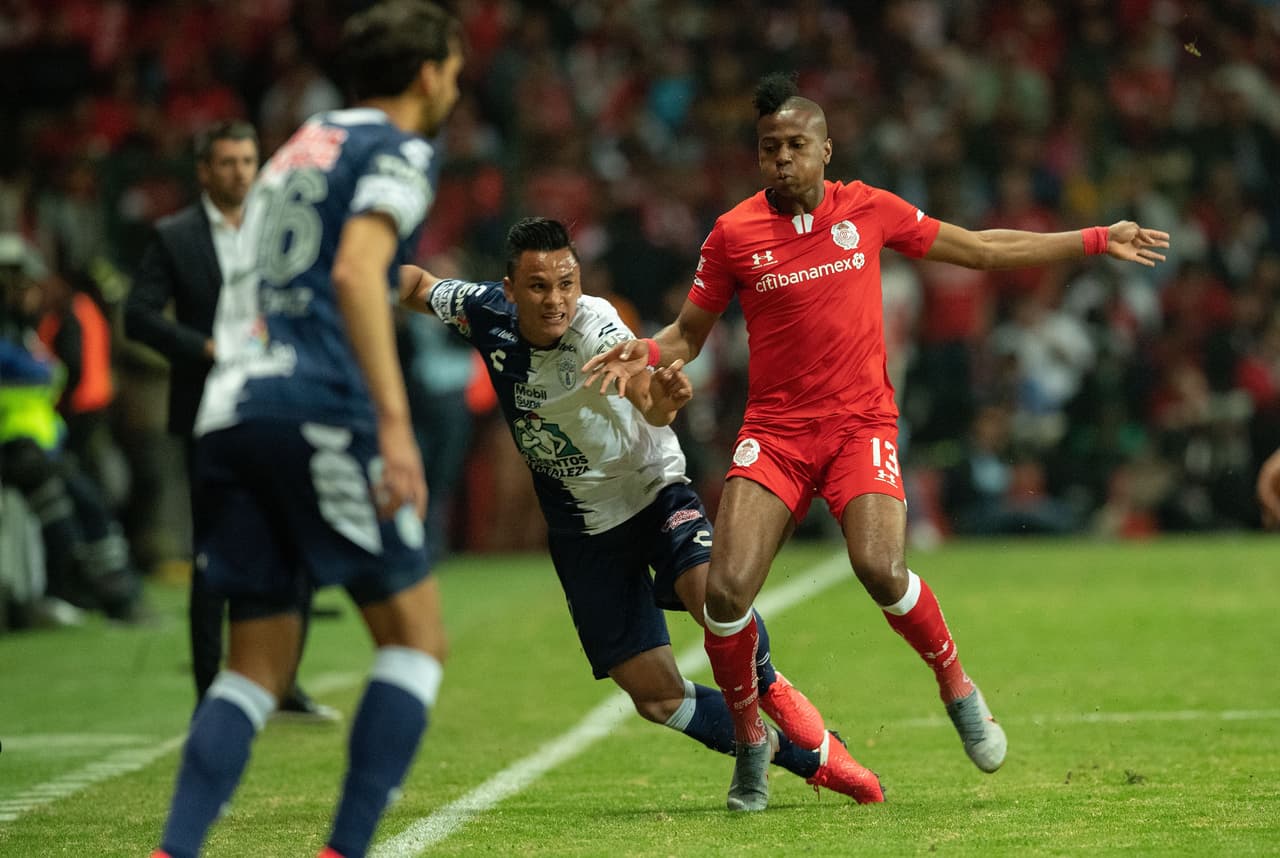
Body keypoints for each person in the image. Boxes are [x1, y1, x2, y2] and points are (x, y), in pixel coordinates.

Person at [585, 72, 1170, 812]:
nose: (782, 159)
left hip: (859, 426)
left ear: (826, 149)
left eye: (796, 145)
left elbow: (981, 249)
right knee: (726, 596)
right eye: (769, 148)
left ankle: (957, 687)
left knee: (881, 567)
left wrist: (1096, 238)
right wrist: (644, 349)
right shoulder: (733, 234)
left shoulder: (867, 209)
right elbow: (688, 335)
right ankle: (751, 743)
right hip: (775, 434)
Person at [400, 216, 883, 805]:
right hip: (581, 529)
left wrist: (663, 401)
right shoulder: (482, 311)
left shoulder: (595, 327)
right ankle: (802, 755)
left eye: (566, 283)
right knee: (656, 698)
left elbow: (646, 397)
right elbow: (417, 284)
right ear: (509, 290)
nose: (555, 300)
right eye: (538, 287)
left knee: (717, 603)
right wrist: (347, 278)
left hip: (653, 494)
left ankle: (770, 690)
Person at [152, 4, 464, 857]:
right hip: (317, 408)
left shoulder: (298, 144)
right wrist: (393, 424)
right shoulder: (398, 149)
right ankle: (345, 848)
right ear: (428, 73)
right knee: (416, 641)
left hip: (230, 410)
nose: (456, 85)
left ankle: (174, 848)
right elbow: (359, 272)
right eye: (453, 69)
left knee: (255, 665)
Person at [125, 120, 336, 721]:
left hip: (279, 403)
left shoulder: (282, 228)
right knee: (214, 552)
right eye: (227, 162)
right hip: (207, 412)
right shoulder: (176, 235)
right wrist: (204, 347)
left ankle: (283, 684)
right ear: (203, 170)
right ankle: (209, 693)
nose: (240, 172)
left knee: (292, 542)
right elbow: (138, 316)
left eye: (247, 161)